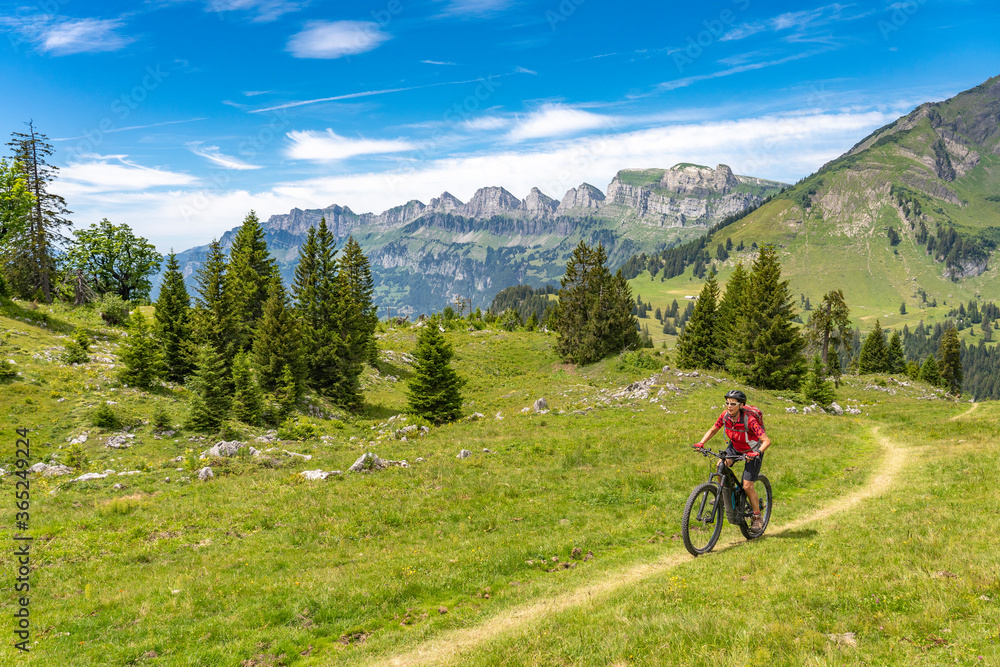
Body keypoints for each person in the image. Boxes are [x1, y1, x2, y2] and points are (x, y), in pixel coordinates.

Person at [693, 389, 771, 532]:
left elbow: (766, 441)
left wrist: (757, 452)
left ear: (741, 405)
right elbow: (713, 430)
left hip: (752, 451)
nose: (729, 406)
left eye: (733, 404)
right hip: (735, 446)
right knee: (720, 466)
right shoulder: (725, 416)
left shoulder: (749, 420)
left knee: (747, 486)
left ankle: (757, 517)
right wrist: (701, 442)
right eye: (727, 403)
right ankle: (725, 496)